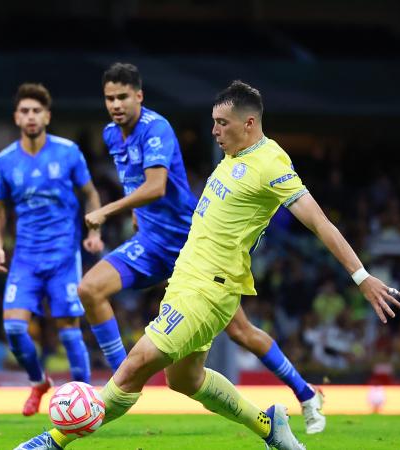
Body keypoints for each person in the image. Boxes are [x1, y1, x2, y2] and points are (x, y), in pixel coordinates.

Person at [15, 80, 400, 450]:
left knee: (136, 364)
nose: (214, 130)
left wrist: (361, 276)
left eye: (223, 123)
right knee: (184, 379)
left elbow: (319, 222)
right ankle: (269, 427)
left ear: (249, 124)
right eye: (214, 122)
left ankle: (56, 439)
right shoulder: (233, 155)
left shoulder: (270, 163)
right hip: (186, 279)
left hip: (210, 289)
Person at [78, 62, 326, 432]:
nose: (115, 105)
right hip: (150, 242)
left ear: (139, 97)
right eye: (109, 98)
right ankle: (119, 377)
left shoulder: (156, 128)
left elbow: (156, 186)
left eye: (123, 97)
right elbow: (136, 185)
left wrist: (107, 211)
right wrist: (136, 217)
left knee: (241, 332)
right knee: (90, 288)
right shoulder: (112, 135)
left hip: (187, 245)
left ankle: (305, 393)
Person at [0, 83, 104, 416]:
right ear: (16, 117)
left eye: (36, 110)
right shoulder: (5, 160)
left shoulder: (68, 152)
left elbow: (92, 194)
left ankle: (88, 403)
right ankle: (39, 382)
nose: (30, 116)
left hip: (64, 257)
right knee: (13, 328)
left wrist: (94, 230)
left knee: (69, 332)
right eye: (24, 111)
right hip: (25, 258)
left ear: (47, 116)